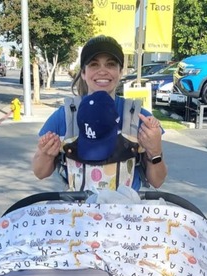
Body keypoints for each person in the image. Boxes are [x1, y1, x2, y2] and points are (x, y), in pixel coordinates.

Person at [33, 35, 167, 191]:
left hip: (125, 212)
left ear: (120, 71)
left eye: (110, 64)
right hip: (78, 212)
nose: (102, 71)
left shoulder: (138, 117)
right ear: (83, 72)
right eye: (94, 64)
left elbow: (157, 181)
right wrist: (46, 154)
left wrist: (155, 151)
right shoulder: (65, 117)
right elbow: (40, 173)